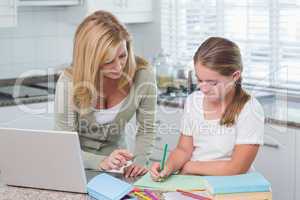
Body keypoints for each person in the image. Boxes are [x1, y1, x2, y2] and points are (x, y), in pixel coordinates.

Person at [54, 10, 157, 178]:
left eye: (122, 56)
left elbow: (147, 129)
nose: (118, 67)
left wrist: (140, 161)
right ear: (90, 60)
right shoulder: (69, 82)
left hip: (117, 169)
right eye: (108, 61)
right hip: (75, 166)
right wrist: (99, 162)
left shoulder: (143, 75)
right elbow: (63, 145)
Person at [150, 37, 264, 181]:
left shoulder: (250, 109)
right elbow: (184, 149)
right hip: (194, 181)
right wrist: (168, 166)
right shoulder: (193, 101)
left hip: (231, 186)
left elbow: (237, 167)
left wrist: (190, 167)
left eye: (212, 82)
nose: (203, 88)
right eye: (199, 80)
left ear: (235, 76)